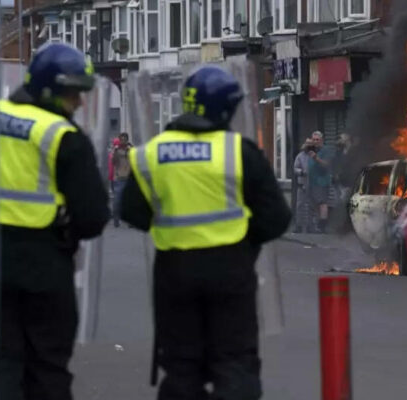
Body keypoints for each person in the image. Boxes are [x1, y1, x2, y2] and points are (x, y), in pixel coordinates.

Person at [120, 65, 291, 400]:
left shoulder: (150, 154)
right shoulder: (239, 151)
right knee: (234, 363)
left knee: (182, 367)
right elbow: (276, 217)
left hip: (174, 273)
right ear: (225, 109)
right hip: (231, 270)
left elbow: (132, 213)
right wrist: (245, 240)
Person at [0, 43, 109, 400]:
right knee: (46, 367)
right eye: (73, 93)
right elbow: (92, 218)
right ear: (50, 89)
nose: (80, 103)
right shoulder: (62, 136)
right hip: (44, 264)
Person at [307, 131, 335, 233]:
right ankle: (318, 225)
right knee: (315, 204)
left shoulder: (325, 150)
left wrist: (316, 158)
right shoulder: (312, 149)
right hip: (312, 181)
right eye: (313, 139)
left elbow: (326, 164)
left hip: (322, 181)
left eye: (317, 140)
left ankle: (323, 226)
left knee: (322, 203)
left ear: (322, 140)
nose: (315, 142)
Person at [293, 137, 314, 233]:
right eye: (307, 144)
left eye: (310, 144)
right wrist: (301, 172)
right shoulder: (300, 156)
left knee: (311, 206)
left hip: (312, 184)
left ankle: (310, 226)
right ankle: (298, 226)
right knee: (300, 206)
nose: (308, 146)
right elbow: (295, 168)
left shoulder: (314, 156)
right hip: (302, 184)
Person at [111, 133, 132, 227]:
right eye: (121, 139)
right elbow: (113, 162)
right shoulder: (116, 150)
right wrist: (115, 151)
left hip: (129, 178)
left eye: (125, 139)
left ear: (127, 140)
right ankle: (116, 219)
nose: (123, 141)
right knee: (117, 200)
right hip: (119, 178)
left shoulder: (131, 149)